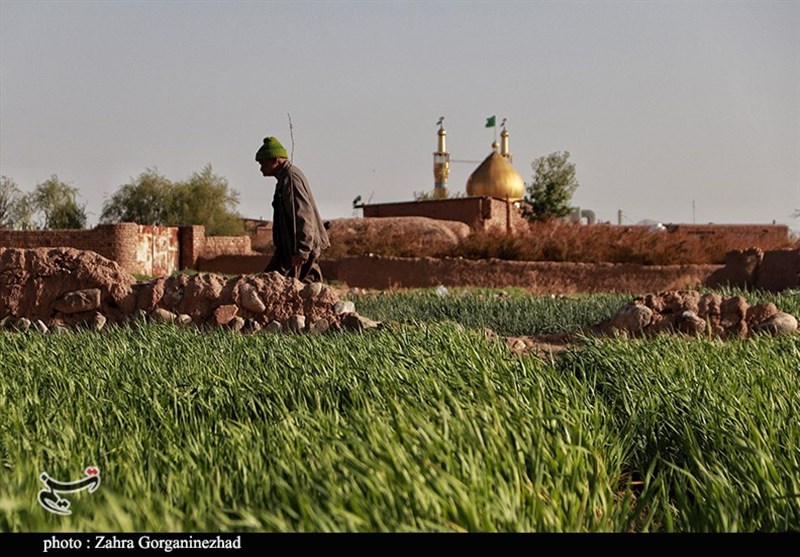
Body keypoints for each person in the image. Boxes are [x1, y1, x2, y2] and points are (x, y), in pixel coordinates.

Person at [256, 136, 330, 283]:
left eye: (263, 163)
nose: (261, 168)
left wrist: (303, 249)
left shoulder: (290, 178)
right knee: (267, 284)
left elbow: (304, 215)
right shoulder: (284, 179)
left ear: (275, 160)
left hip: (300, 250)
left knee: (303, 288)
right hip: (287, 251)